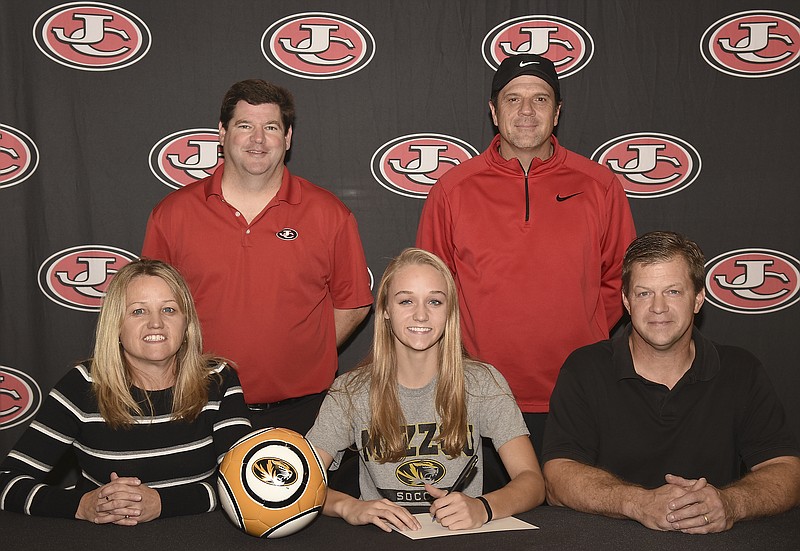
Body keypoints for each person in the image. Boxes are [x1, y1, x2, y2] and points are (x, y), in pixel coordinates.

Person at [416, 54, 636, 462]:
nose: (527, 112)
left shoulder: (600, 186)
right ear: (494, 111)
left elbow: (621, 282)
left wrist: (578, 325)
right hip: (478, 393)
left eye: (540, 99)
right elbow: (431, 291)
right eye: (513, 99)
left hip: (577, 392)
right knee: (489, 520)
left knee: (581, 521)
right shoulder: (452, 190)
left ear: (557, 113)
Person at [142, 80, 373, 434]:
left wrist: (303, 353)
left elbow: (353, 303)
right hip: (198, 403)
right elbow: (149, 307)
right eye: (245, 126)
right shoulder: (172, 214)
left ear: (288, 137)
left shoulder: (329, 214)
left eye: (271, 127)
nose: (258, 139)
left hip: (303, 409)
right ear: (221, 133)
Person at [542, 231, 800, 533]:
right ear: (626, 301)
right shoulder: (585, 368)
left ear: (698, 299)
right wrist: (639, 503)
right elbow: (556, 478)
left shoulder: (741, 370)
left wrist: (730, 504)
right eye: (644, 293)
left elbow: (787, 471)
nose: (658, 307)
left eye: (673, 292)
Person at [306, 248, 544, 532]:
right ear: (384, 310)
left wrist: (483, 507)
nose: (421, 315)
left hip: (460, 537)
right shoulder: (349, 391)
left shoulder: (482, 383)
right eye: (406, 301)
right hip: (379, 540)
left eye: (434, 301)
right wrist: (349, 506)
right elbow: (302, 483)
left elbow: (532, 481)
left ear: (450, 312)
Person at [0, 259, 253, 524]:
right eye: (138, 312)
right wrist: (82, 505)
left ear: (186, 323)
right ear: (116, 325)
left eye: (168, 309)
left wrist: (163, 504)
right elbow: (7, 482)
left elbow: (246, 483)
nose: (156, 323)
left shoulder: (218, 379)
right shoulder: (82, 385)